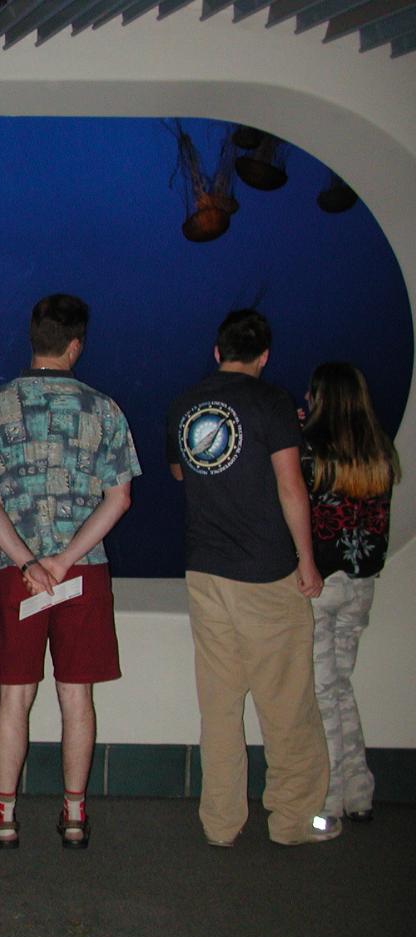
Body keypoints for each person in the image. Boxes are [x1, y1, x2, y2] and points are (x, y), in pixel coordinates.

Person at [0, 294, 138, 851]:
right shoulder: (104, 410)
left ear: (31, 338)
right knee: (76, 697)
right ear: (76, 344)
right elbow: (120, 498)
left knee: (15, 699)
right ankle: (75, 815)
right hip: (83, 574)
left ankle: (5, 817)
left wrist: (29, 562)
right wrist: (63, 559)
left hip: (17, 577)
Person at [166, 309, 334, 846]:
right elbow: (291, 487)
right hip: (265, 572)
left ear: (217, 352)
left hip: (205, 571)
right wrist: (307, 560)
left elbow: (178, 469)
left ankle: (220, 823)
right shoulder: (271, 402)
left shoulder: (186, 402)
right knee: (286, 703)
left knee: (219, 704)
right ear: (264, 356)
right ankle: (290, 822)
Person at [301, 362, 400, 825]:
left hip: (321, 585)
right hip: (362, 585)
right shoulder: (380, 452)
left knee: (321, 695)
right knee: (339, 687)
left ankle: (329, 800)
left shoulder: (312, 453)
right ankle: (358, 790)